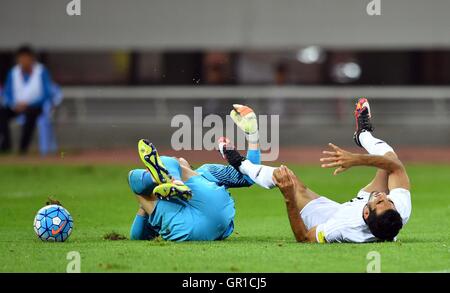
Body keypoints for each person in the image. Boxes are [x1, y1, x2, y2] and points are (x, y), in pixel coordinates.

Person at [221, 98, 411, 243]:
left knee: (287, 179)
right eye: (388, 201)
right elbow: (396, 167)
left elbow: (304, 237)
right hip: (360, 208)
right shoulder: (399, 210)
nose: (383, 196)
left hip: (332, 216)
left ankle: (240, 163)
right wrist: (357, 159)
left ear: (367, 214)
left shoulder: (341, 228)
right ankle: (363, 135)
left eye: (380, 202)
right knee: (390, 160)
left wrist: (288, 197)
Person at [127, 104, 261, 241]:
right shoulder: (207, 171)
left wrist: (144, 199)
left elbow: (137, 237)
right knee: (145, 179)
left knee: (135, 177)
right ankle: (166, 180)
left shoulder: (195, 172)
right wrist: (253, 136)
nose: (177, 157)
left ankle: (161, 179)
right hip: (214, 223)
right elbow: (249, 177)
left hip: (182, 231)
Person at [0, 45, 54, 154]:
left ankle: (23, 148)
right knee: (2, 113)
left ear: (32, 58)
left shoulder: (41, 71)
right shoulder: (13, 73)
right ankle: (6, 145)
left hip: (34, 106)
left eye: (26, 58)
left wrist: (29, 103)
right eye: (21, 58)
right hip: (16, 106)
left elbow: (47, 93)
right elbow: (7, 92)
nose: (24, 61)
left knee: (31, 115)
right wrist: (13, 104)